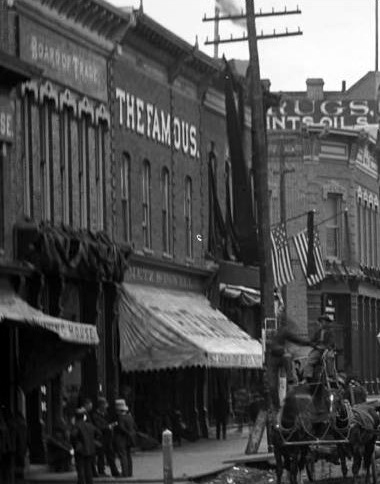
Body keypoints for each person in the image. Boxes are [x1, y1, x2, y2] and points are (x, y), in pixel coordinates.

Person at [70, 407, 100, 484]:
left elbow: (73, 435)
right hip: (90, 449)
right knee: (88, 468)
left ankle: (81, 482)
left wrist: (75, 443)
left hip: (80, 450)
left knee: (80, 469)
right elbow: (98, 433)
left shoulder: (77, 425)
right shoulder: (89, 425)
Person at [303, 314, 335, 383]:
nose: (321, 323)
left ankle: (330, 376)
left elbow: (331, 342)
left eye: (323, 321)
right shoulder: (318, 332)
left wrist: (327, 349)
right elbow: (312, 341)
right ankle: (307, 378)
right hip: (318, 349)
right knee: (310, 359)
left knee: (329, 357)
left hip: (327, 349)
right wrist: (314, 345)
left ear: (327, 323)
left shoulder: (330, 332)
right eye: (321, 322)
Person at [92, 397, 119, 477]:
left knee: (110, 455)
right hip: (101, 438)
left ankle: (114, 471)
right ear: (101, 405)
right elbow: (98, 426)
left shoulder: (106, 414)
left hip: (108, 437)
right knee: (101, 455)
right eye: (105, 404)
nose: (106, 406)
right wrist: (108, 426)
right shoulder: (95, 415)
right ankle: (101, 471)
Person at [113, 399, 136, 478]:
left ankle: (125, 473)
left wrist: (115, 426)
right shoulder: (129, 416)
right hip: (129, 438)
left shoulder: (120, 417)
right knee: (128, 455)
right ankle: (129, 472)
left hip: (121, 438)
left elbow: (121, 427)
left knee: (123, 455)